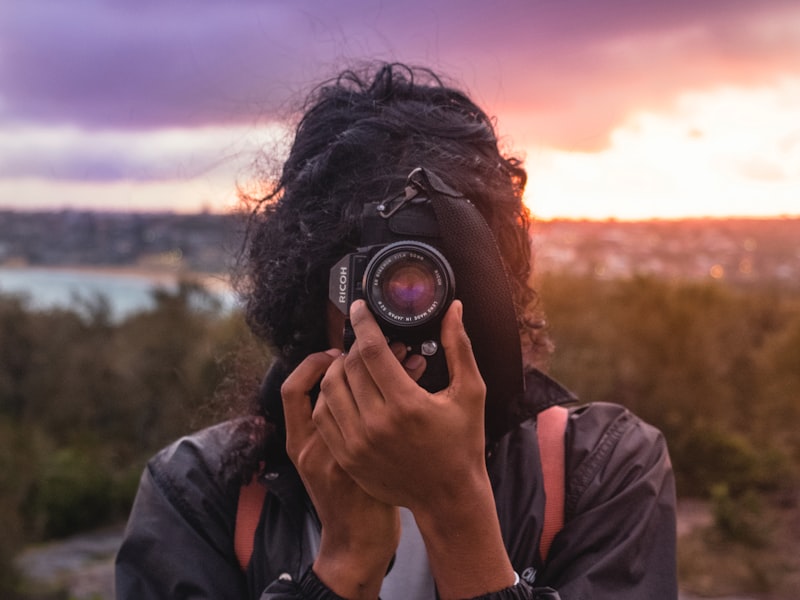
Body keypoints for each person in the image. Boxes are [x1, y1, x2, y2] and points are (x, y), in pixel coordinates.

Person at [116, 63, 677, 599]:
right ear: (312, 292)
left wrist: (455, 508)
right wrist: (344, 566)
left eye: (439, 276)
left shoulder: (599, 470)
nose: (406, 313)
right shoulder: (200, 492)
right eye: (377, 281)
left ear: (493, 289)